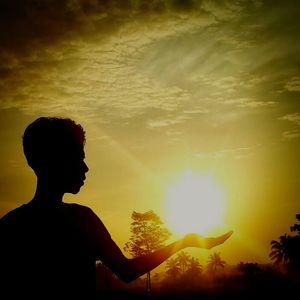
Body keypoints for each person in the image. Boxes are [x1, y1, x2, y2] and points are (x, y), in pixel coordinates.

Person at [0, 116, 233, 299]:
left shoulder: (10, 225)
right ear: (51, 160)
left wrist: (186, 241)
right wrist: (184, 242)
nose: (85, 168)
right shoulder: (82, 220)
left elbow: (126, 271)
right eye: (77, 158)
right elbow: (127, 271)